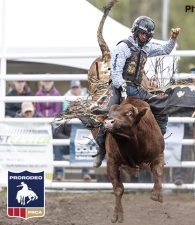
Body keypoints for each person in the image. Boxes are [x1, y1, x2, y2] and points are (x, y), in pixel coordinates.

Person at [91, 16, 181, 167]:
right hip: (119, 87)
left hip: (137, 89)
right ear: (136, 31)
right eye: (142, 33)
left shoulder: (146, 47)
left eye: (147, 35)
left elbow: (165, 49)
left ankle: (158, 145)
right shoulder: (123, 47)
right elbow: (115, 73)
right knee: (105, 112)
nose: (144, 37)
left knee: (162, 105)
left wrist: (173, 39)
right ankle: (101, 150)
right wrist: (123, 88)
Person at [53, 80, 91, 181]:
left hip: (79, 143)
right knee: (58, 146)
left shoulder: (84, 118)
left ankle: (86, 173)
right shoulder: (64, 116)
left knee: (85, 143)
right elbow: (56, 132)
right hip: (68, 143)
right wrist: (69, 139)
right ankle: (59, 174)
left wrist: (77, 139)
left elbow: (89, 132)